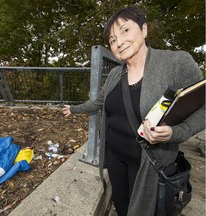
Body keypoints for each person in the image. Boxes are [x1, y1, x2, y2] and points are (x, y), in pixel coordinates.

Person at [62, 5, 205, 216]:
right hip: (114, 157)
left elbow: (203, 106)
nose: (119, 42)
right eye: (112, 40)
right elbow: (98, 102)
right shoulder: (114, 75)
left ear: (144, 29)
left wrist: (177, 133)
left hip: (148, 164)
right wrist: (72, 109)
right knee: (122, 206)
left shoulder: (175, 63)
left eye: (125, 30)